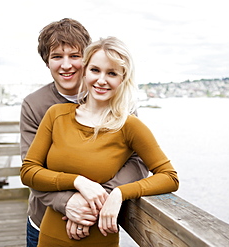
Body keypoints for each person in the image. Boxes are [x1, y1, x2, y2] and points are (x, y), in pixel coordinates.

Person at [20, 36, 179, 246]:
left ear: (122, 80)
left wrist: (118, 193)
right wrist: (78, 182)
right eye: (95, 70)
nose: (101, 80)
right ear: (85, 72)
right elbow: (29, 171)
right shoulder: (56, 115)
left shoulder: (129, 125)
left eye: (112, 73)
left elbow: (169, 177)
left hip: (98, 239)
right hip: (50, 236)